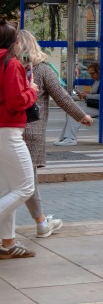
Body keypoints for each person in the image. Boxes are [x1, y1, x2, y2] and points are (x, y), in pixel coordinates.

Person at [15, 30, 93, 238]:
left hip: (10, 130)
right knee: (27, 181)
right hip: (31, 131)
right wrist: (81, 116)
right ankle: (41, 223)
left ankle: (39, 222)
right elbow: (62, 97)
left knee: (21, 181)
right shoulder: (42, 69)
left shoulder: (9, 68)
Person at [0, 20, 39, 260]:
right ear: (14, 42)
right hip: (8, 131)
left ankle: (7, 243)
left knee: (8, 188)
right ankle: (7, 244)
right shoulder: (10, 63)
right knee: (25, 187)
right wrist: (32, 89)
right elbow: (16, 102)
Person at [54, 62, 103, 146]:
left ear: (99, 71)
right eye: (90, 74)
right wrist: (84, 95)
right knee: (72, 112)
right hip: (94, 106)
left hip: (101, 108)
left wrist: (87, 96)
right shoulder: (97, 81)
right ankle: (64, 138)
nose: (91, 76)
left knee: (76, 113)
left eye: (93, 73)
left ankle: (71, 139)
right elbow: (93, 95)